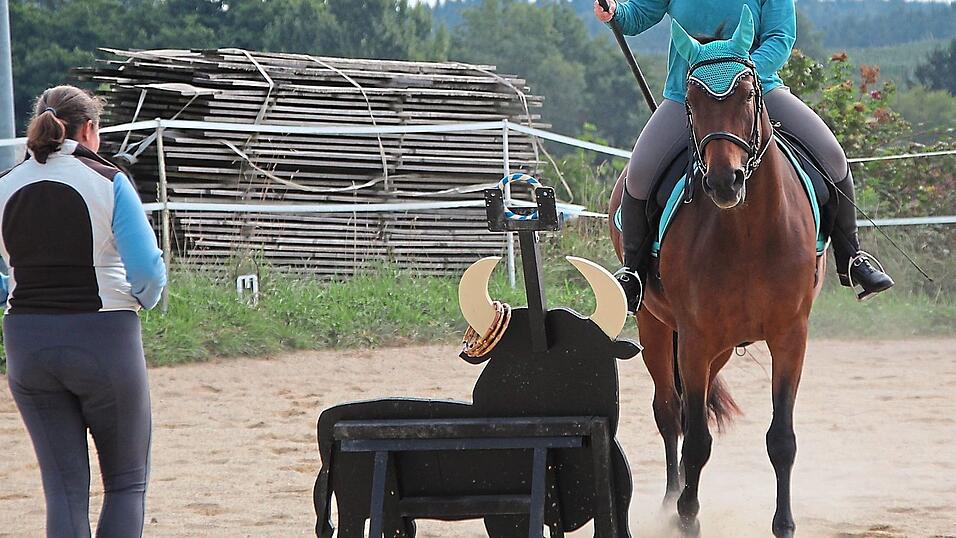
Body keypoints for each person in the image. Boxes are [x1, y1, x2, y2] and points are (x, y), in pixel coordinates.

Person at [594, 0, 894, 311]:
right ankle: (634, 274)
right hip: (690, 97)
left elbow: (780, 38)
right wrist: (615, 12)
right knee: (640, 173)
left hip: (753, 91)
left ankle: (852, 258)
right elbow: (639, 14)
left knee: (833, 157)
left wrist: (739, 73)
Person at [0, 85, 166, 537]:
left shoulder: (5, 184)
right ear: (89, 129)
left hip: (27, 344)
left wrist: (11, 289)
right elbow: (147, 271)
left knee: (64, 492)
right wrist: (145, 300)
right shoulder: (109, 180)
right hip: (104, 338)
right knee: (126, 484)